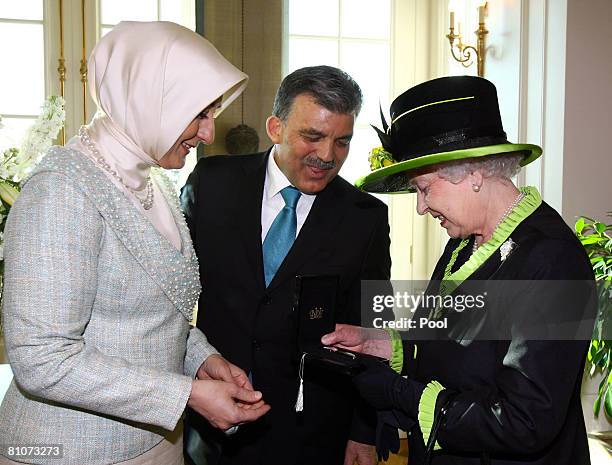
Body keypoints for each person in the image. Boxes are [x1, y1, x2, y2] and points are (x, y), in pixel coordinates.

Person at [0, 21, 270, 465]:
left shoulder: (155, 182)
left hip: (155, 443)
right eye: (199, 114)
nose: (207, 134)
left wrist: (201, 359)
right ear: (151, 101)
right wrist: (187, 394)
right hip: (68, 451)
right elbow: (40, 357)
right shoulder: (62, 189)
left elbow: (153, 315)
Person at [322, 76, 596, 465]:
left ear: (473, 172)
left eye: (424, 188)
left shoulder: (553, 260)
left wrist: (402, 395)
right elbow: (451, 349)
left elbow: (526, 421)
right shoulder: (462, 246)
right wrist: (376, 344)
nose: (420, 207)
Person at [181, 65, 391, 465]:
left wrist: (363, 432)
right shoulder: (211, 183)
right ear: (275, 128)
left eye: (342, 141)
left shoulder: (365, 217)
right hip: (211, 426)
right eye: (312, 136)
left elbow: (373, 327)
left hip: (312, 433)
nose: (327, 156)